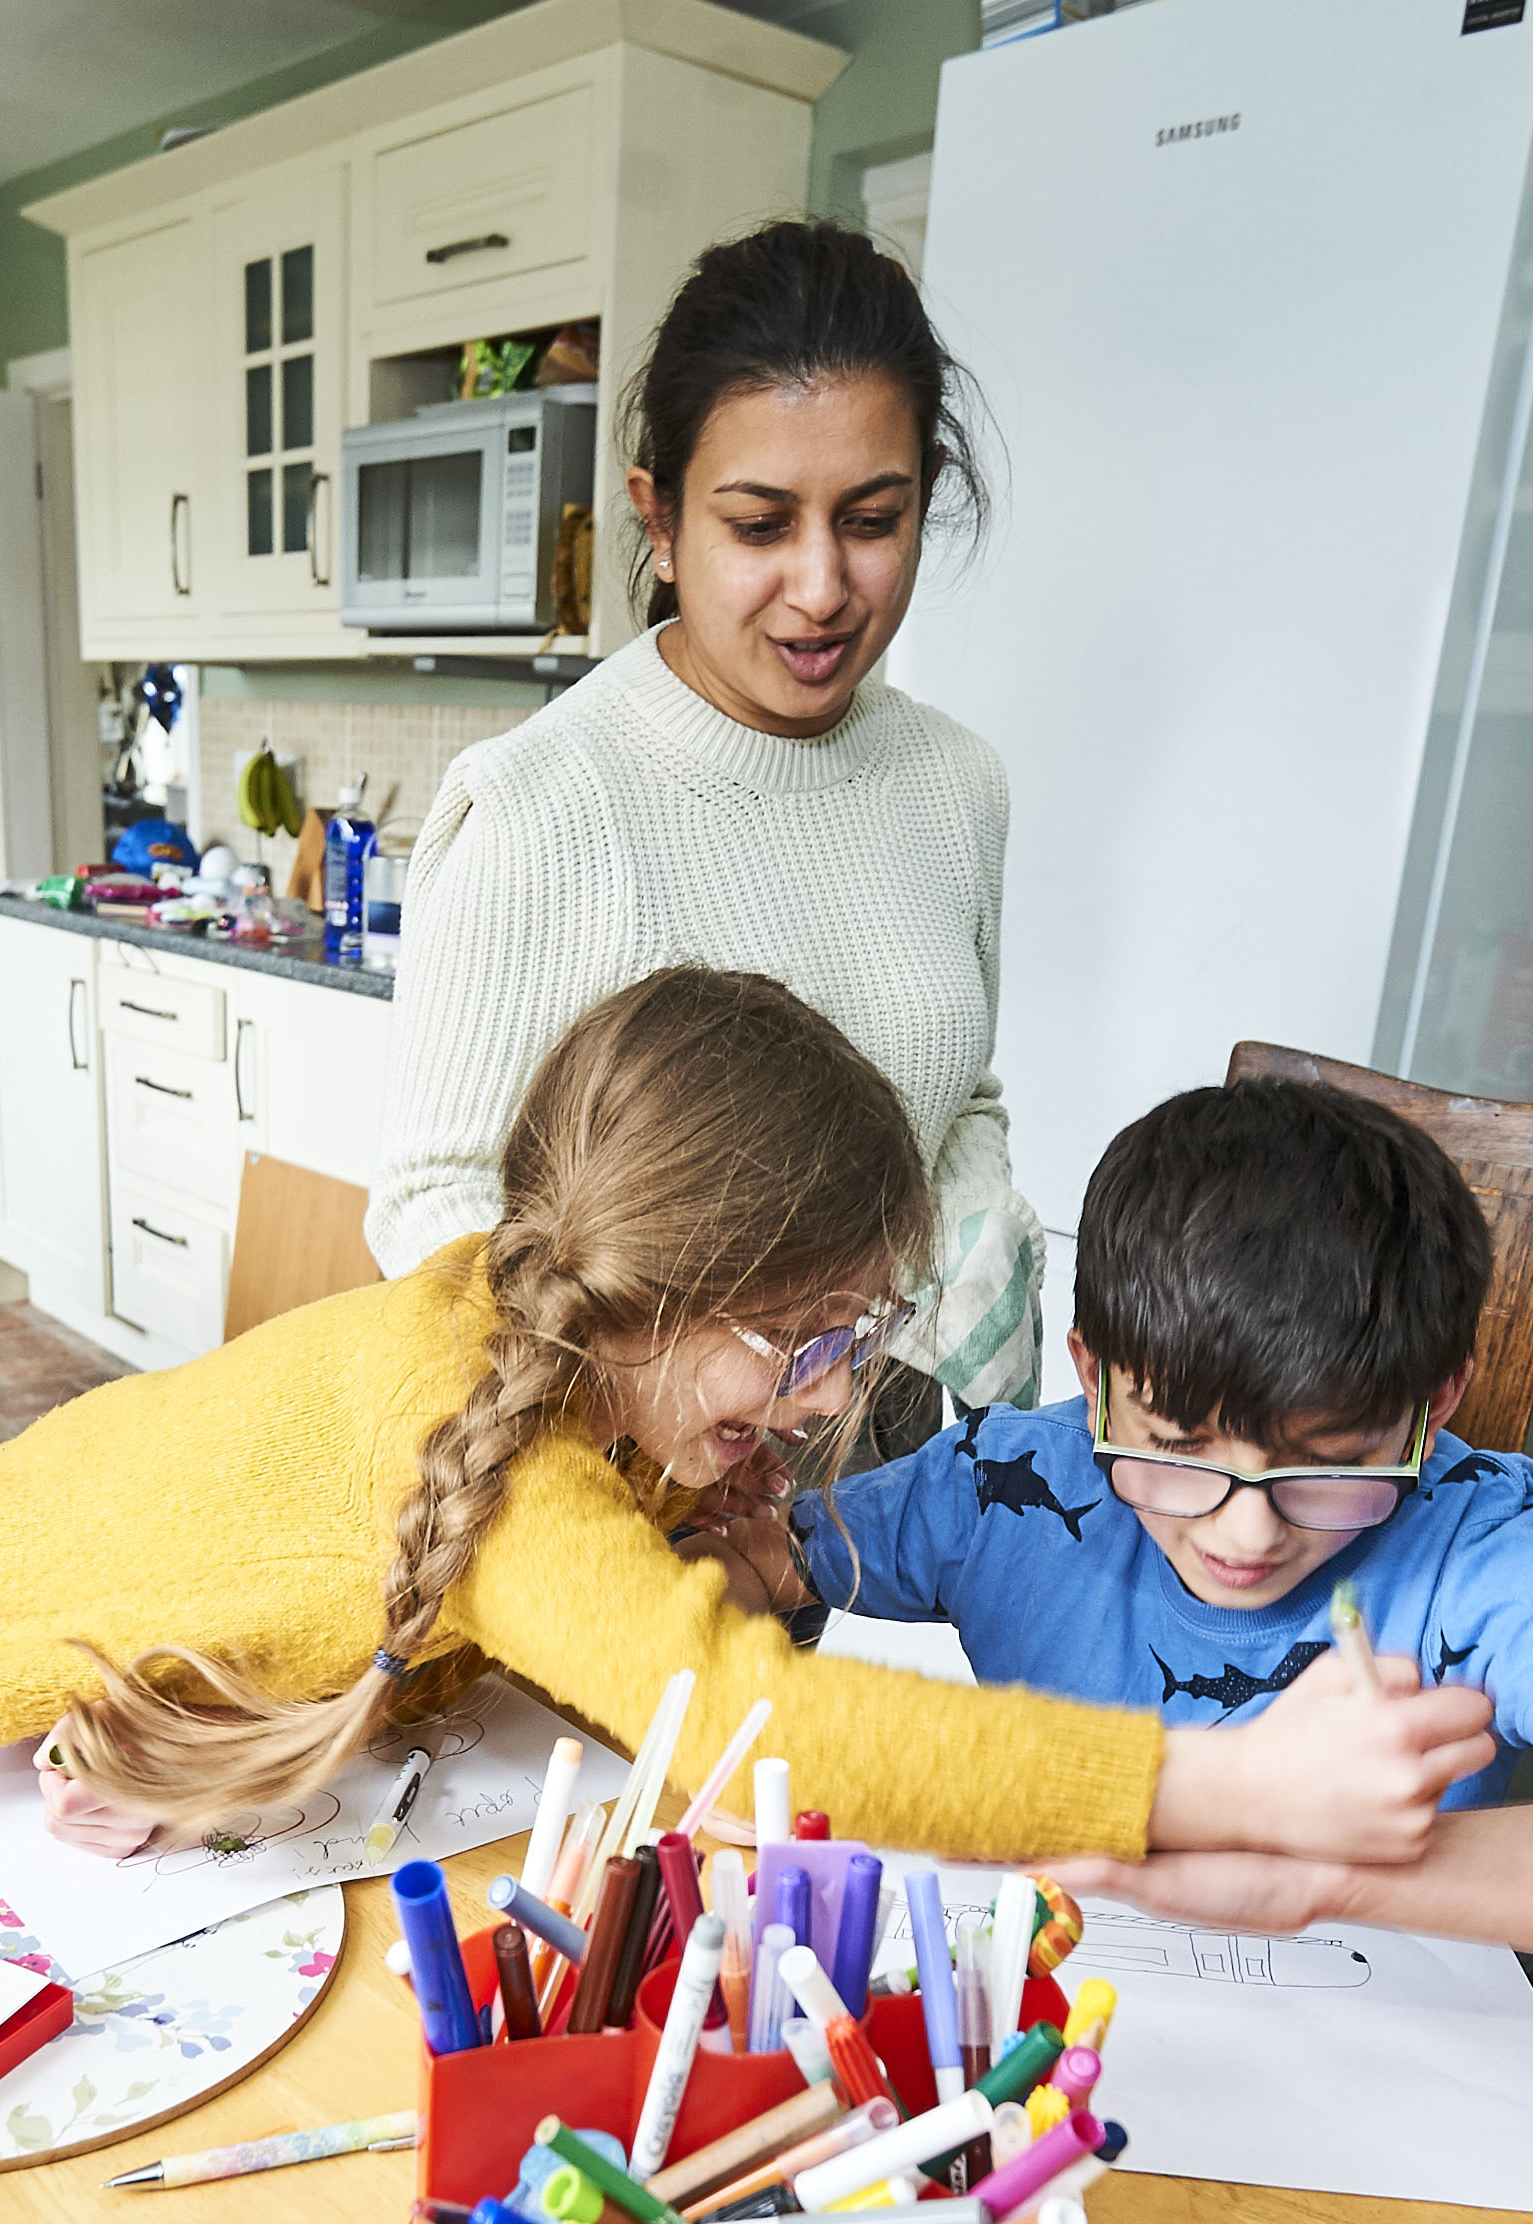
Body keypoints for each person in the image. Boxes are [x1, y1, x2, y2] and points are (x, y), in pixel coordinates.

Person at [0, 970, 1428, 1879]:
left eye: (861, 1329)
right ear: (657, 1294)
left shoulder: (540, 1328)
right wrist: (1224, 1784)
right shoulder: (503, 1469)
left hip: (15, 1526)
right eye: (811, 1334)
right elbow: (768, 1738)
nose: (840, 1388)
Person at [774, 1074, 1533, 1969]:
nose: (1244, 1537)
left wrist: (1317, 1874)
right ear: (1093, 1383)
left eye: (1331, 1467)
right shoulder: (1008, 1479)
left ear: (1432, 1408)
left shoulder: (1490, 1548)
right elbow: (742, 1561)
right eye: (1179, 1452)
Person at [365, 218, 1038, 1439]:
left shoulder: (958, 784)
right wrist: (638, 1431)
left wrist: (973, 1358)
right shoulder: (539, 806)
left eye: (872, 519)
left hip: (879, 1435)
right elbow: (433, 1212)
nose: (823, 586)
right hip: (629, 1462)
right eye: (759, 524)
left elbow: (956, 1096)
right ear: (661, 524)